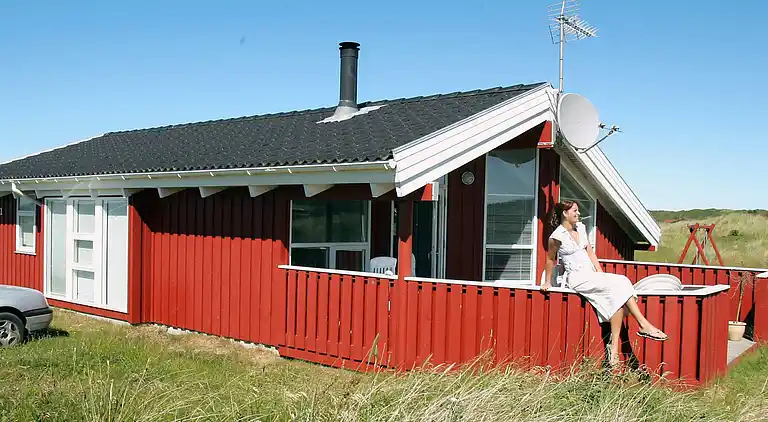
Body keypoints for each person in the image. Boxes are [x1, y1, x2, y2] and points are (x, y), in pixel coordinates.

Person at [542, 199, 668, 366]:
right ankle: (642, 325)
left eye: (578, 210)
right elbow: (550, 260)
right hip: (577, 278)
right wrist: (547, 282)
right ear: (565, 213)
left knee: (620, 286)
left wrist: (600, 272)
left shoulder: (581, 228)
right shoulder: (556, 236)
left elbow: (590, 253)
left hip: (591, 274)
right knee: (620, 285)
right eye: (575, 211)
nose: (578, 214)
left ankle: (614, 348)